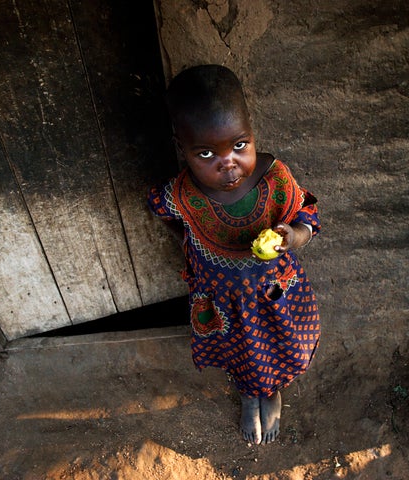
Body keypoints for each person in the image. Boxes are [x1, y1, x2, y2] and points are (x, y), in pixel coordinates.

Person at [147, 64, 320, 445]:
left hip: (273, 292)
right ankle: (248, 393)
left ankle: (272, 390)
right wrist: (186, 239)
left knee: (278, 344)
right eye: (206, 152)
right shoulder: (180, 196)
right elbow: (161, 210)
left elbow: (307, 213)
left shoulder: (275, 180)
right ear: (182, 149)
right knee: (239, 350)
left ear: (252, 132)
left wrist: (294, 236)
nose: (228, 162)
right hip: (221, 301)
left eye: (239, 145)